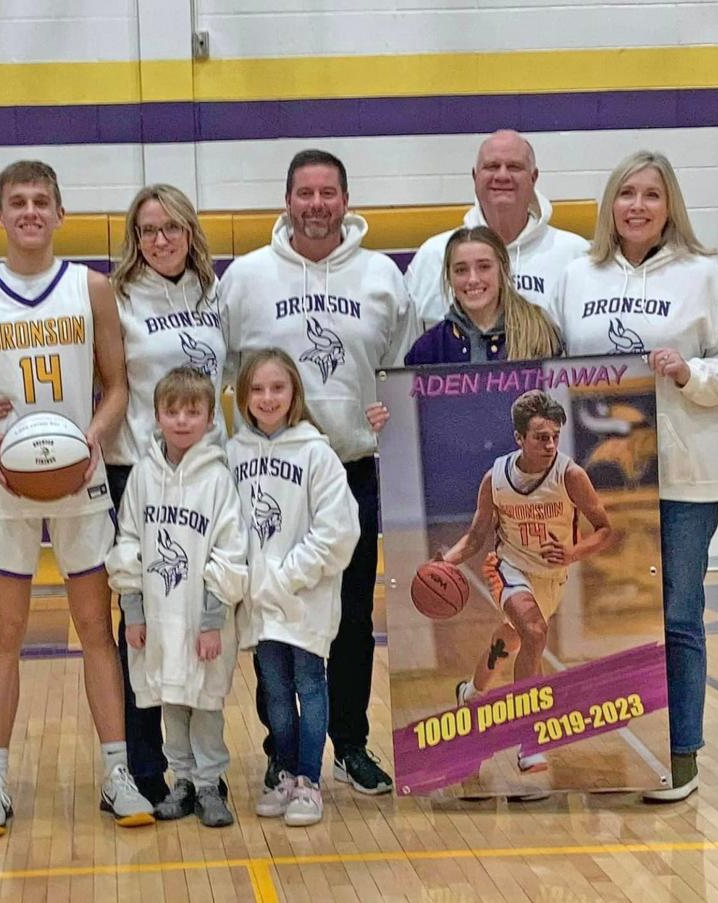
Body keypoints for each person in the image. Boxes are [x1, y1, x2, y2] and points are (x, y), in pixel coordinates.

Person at [0, 160, 153, 835]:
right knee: (3, 634)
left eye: (41, 201)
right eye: (17, 201)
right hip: (8, 485)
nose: (29, 211)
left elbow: (118, 386)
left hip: (81, 479)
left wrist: (93, 437)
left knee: (97, 630)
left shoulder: (92, 288)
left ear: (60, 213)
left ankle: (117, 772)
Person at [553, 150, 718, 801]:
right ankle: (604, 745)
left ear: (670, 206)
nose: (637, 205)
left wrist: (689, 374)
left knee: (677, 614)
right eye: (627, 193)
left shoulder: (706, 277)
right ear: (609, 205)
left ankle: (683, 751)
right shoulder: (574, 276)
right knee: (591, 615)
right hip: (597, 477)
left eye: (651, 194)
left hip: (681, 476)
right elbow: (550, 365)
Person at [222, 148, 414, 796]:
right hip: (267, 476)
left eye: (328, 192)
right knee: (273, 612)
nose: (316, 204)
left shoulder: (383, 277)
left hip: (352, 469)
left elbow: (398, 367)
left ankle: (350, 744)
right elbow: (225, 370)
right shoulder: (246, 278)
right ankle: (282, 749)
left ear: (346, 199)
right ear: (287, 201)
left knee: (351, 617)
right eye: (304, 193)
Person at [104, 184, 228, 805]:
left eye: (172, 228)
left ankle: (205, 770)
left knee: (208, 628)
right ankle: (144, 772)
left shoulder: (213, 292)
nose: (161, 239)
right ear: (135, 237)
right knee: (144, 632)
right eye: (149, 230)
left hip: (209, 474)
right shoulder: (117, 298)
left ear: (189, 232)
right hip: (141, 474)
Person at [441, 390, 612, 772]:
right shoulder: (496, 478)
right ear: (519, 438)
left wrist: (572, 553)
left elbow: (604, 529)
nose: (550, 444)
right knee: (534, 633)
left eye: (555, 435)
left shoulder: (571, 476)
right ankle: (529, 738)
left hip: (552, 576)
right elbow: (475, 535)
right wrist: (445, 563)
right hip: (508, 567)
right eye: (540, 436)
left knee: (508, 642)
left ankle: (470, 694)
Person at [107, 368, 247, 827]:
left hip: (202, 620)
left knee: (205, 705)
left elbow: (230, 553)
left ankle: (210, 786)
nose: (182, 420)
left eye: (193, 411)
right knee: (171, 702)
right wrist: (133, 610)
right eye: (173, 411)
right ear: (157, 416)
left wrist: (212, 620)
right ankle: (181, 781)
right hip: (159, 618)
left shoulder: (219, 480)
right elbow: (127, 544)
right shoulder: (143, 476)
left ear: (211, 419)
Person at [228, 349, 360, 826]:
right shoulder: (233, 452)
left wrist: (288, 577)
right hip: (260, 603)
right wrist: (246, 581)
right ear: (243, 395)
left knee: (310, 683)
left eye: (277, 388)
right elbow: (228, 527)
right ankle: (284, 773)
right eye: (258, 389)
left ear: (294, 394)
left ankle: (309, 781)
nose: (267, 398)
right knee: (275, 694)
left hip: (304, 599)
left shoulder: (316, 452)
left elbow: (339, 530)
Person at [405, 130, 588, 326]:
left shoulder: (574, 254)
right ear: (475, 177)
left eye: (514, 167)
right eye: (491, 166)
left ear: (533, 177)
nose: (502, 175)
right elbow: (409, 345)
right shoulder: (433, 255)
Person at [404, 226, 561, 365]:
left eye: (484, 267)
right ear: (449, 277)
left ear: (503, 269)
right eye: (461, 270)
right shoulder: (428, 349)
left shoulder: (538, 331)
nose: (473, 279)